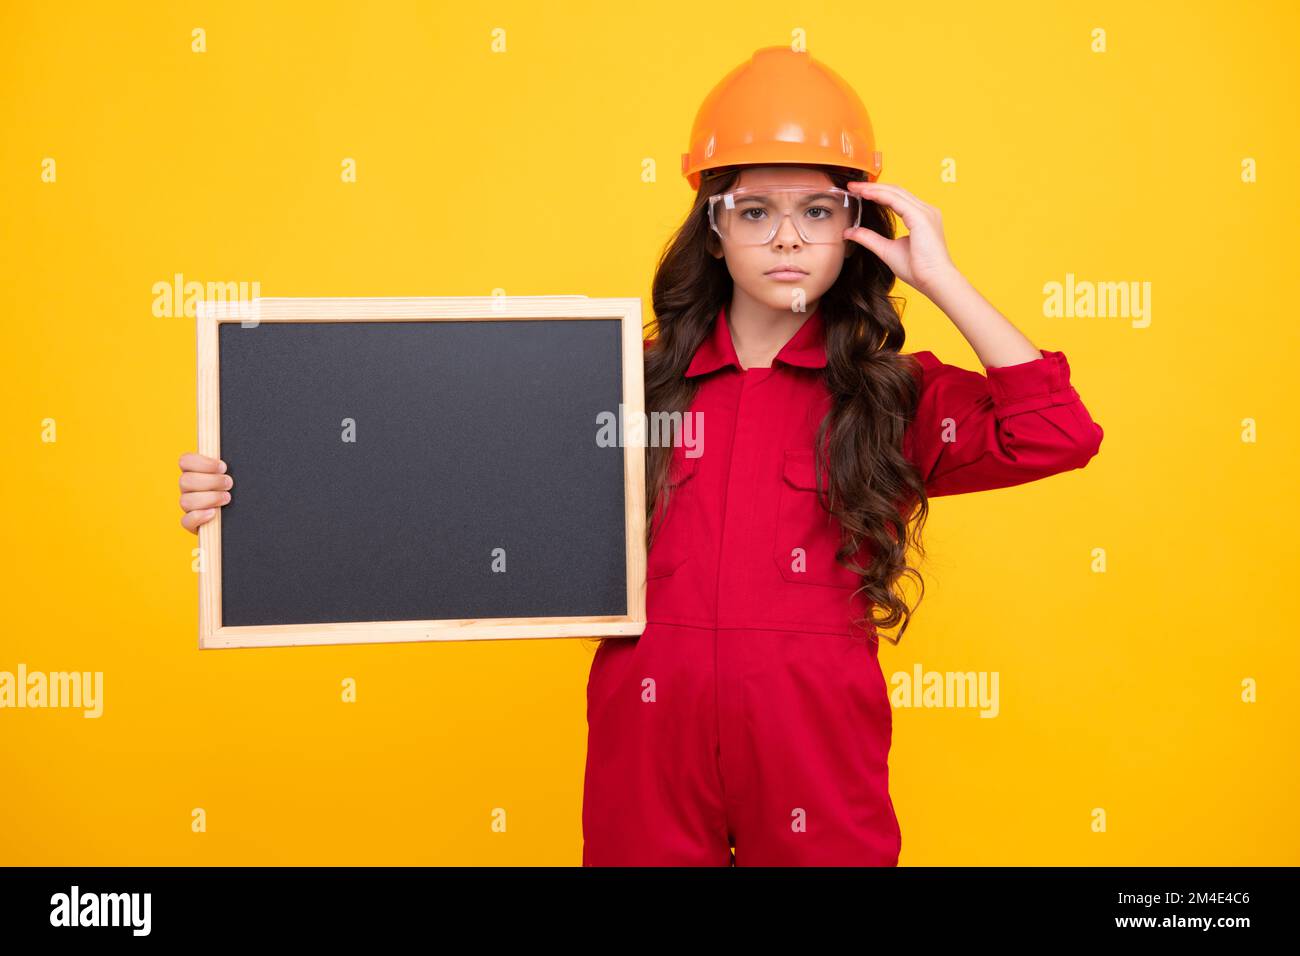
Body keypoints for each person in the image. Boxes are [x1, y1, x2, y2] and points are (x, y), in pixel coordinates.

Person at [177, 46, 1104, 867]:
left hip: (814, 732)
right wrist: (254, 498)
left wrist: (941, 278)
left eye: (818, 211)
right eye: (756, 211)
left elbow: (1057, 432)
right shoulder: (622, 379)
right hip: (645, 725)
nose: (787, 236)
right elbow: (429, 475)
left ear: (856, 227)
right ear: (715, 225)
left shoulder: (893, 393)